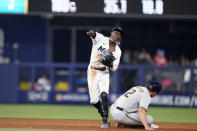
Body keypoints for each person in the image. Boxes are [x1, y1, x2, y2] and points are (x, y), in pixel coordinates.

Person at [86, 27, 123, 128]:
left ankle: (105, 121)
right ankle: (102, 113)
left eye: (118, 34)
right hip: (92, 71)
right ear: (111, 33)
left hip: (104, 73)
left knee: (104, 95)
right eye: (115, 32)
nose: (116, 34)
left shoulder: (118, 51)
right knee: (94, 101)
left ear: (120, 37)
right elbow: (94, 35)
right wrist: (91, 33)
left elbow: (114, 68)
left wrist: (109, 64)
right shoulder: (101, 38)